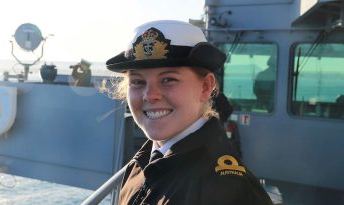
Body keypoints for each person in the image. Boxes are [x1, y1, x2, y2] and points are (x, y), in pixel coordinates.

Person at [105, 20, 273, 205]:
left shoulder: (229, 190)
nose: (150, 95)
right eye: (137, 82)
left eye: (168, 79)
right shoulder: (139, 165)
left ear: (205, 87)